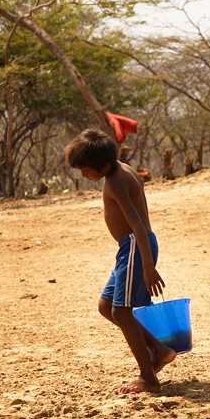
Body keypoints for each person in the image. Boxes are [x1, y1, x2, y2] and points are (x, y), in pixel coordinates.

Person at [65, 129, 176, 394]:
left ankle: (148, 377)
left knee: (121, 312)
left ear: (101, 164)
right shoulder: (121, 169)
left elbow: (137, 223)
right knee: (106, 306)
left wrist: (148, 267)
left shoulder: (115, 180)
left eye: (85, 170)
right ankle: (158, 349)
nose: (84, 175)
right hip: (131, 248)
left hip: (136, 247)